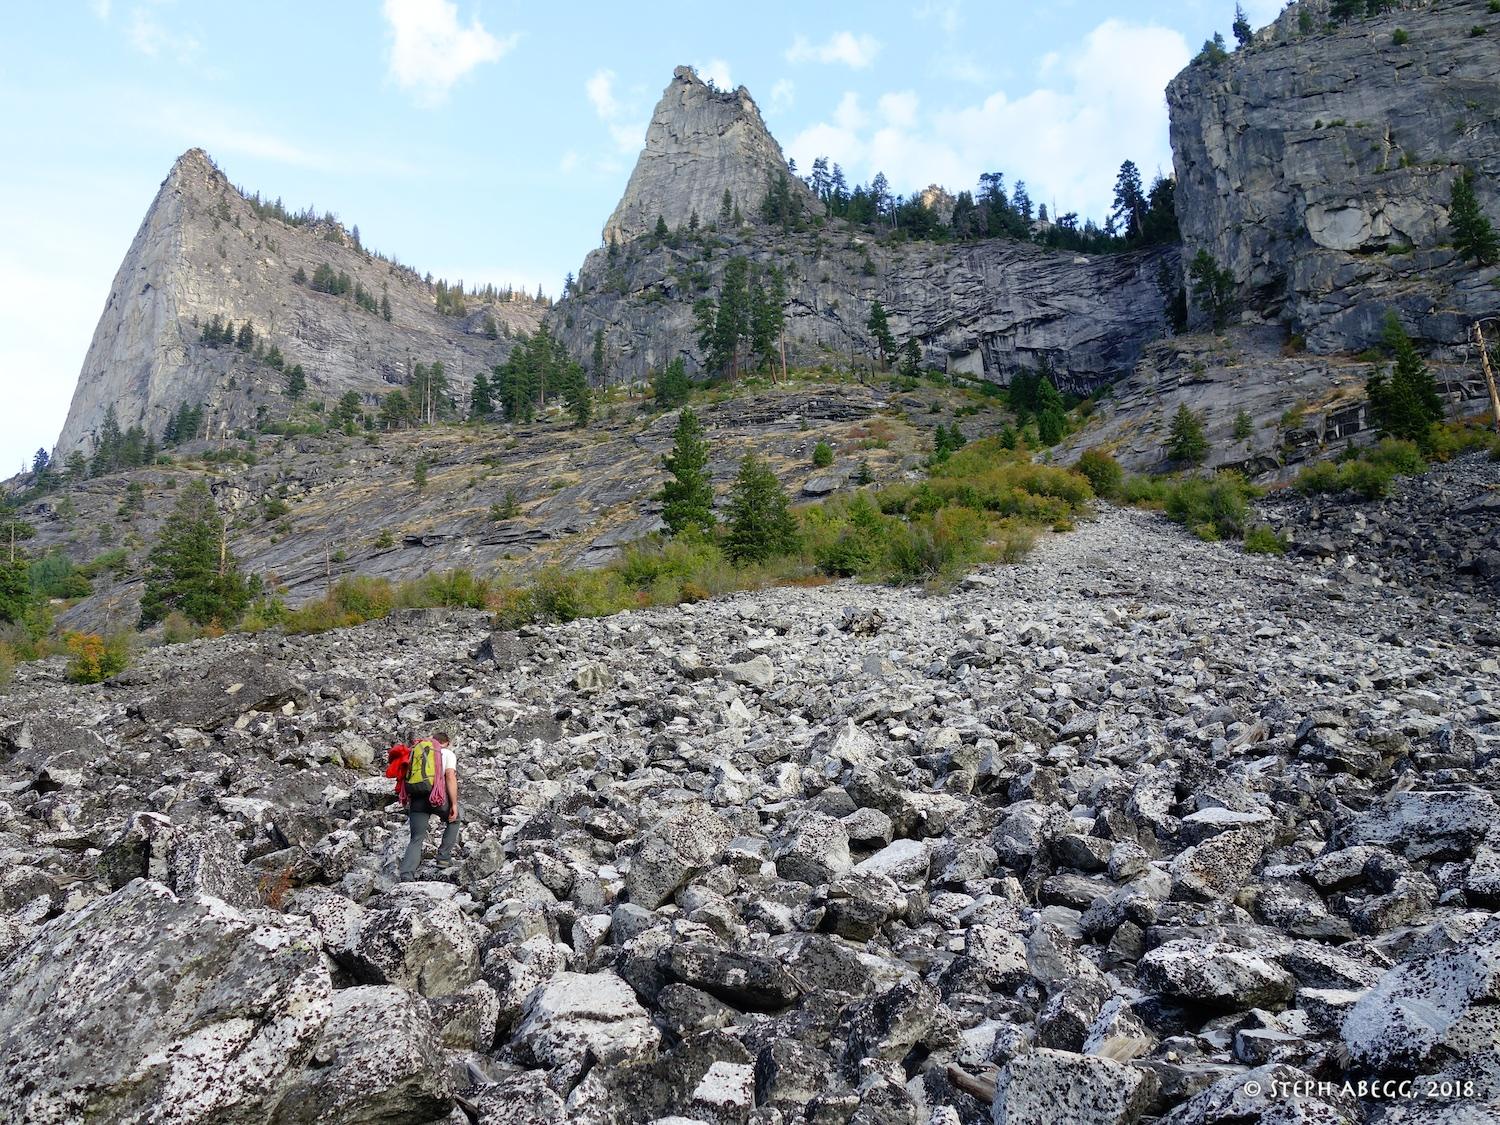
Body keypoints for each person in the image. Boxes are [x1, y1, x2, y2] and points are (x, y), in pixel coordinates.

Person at [398, 731, 460, 880]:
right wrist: (454, 804)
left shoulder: (417, 751)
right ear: (447, 743)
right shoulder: (447, 753)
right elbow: (450, 776)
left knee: (416, 838)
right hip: (436, 797)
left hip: (417, 797)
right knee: (455, 819)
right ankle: (443, 858)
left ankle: (406, 875)